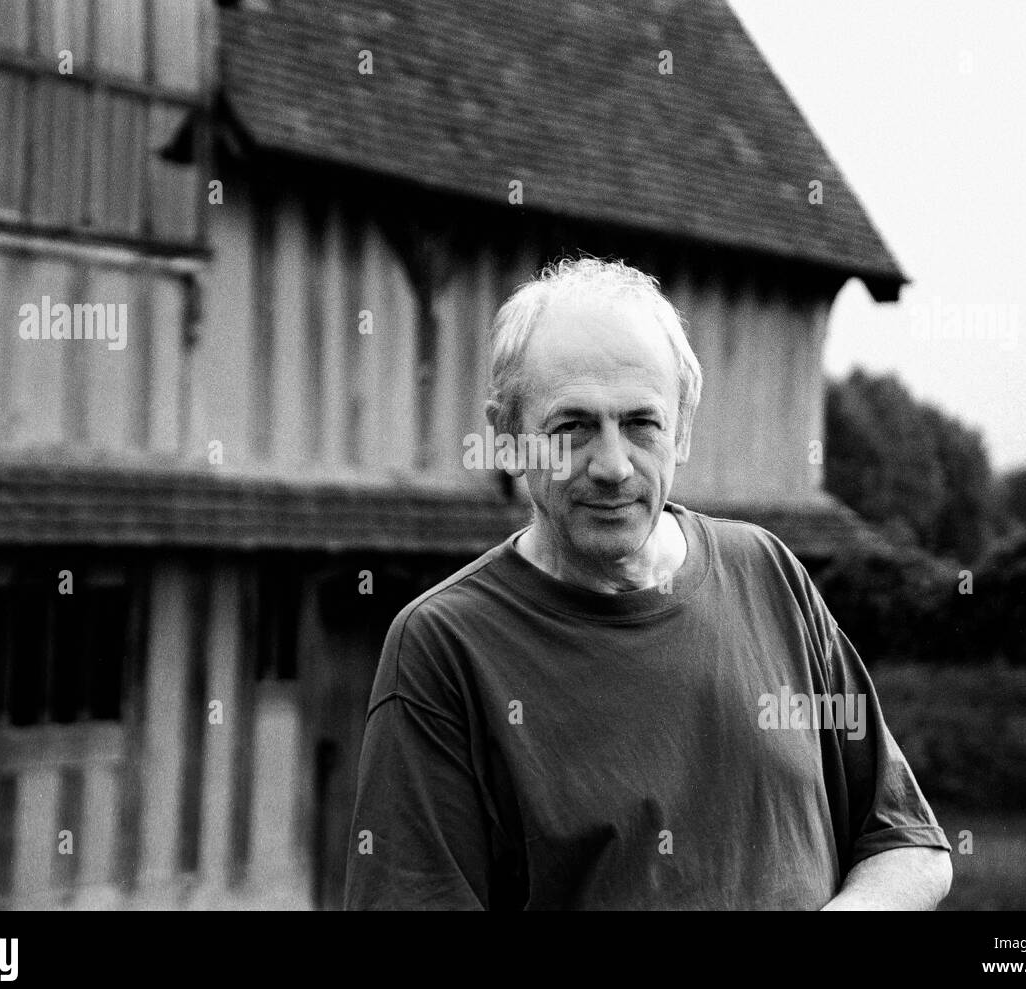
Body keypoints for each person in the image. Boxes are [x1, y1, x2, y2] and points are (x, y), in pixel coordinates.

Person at [343, 257, 952, 910]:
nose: (611, 465)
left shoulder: (770, 577)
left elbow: (906, 842)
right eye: (571, 427)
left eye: (641, 423)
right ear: (508, 436)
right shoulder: (443, 649)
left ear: (682, 428)